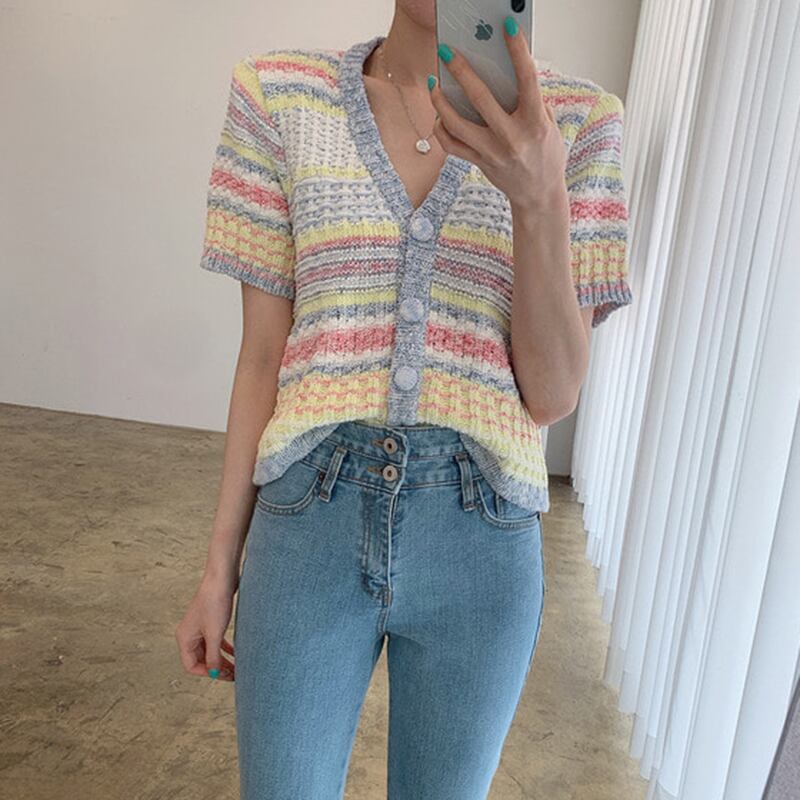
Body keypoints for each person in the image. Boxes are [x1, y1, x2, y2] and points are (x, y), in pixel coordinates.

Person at [175, 0, 633, 797]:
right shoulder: (278, 97)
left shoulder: (579, 125)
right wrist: (219, 569)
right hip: (308, 521)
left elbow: (553, 394)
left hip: (482, 540)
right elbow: (262, 359)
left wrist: (539, 196)